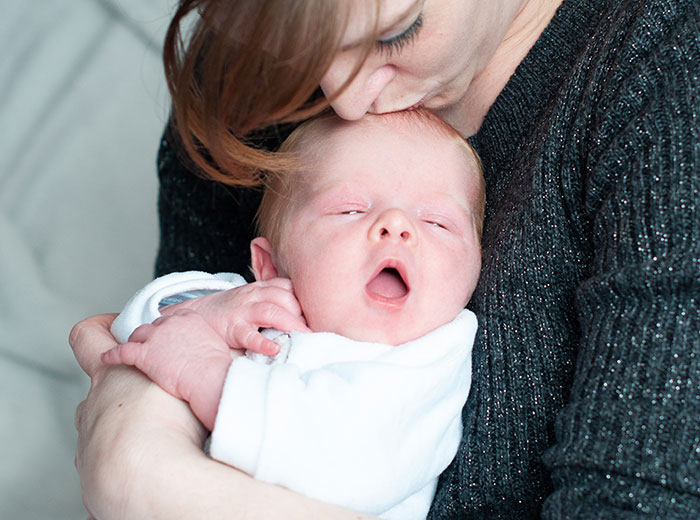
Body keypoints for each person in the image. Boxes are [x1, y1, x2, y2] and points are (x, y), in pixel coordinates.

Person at [69, 0, 700, 518]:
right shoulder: (246, 73)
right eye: (285, 45)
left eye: (394, 31)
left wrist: (136, 471)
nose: (340, 97)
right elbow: (178, 339)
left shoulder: (673, 36)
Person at [101, 110, 484, 520]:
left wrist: (208, 375)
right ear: (270, 265)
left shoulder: (431, 359)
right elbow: (138, 337)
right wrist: (209, 310)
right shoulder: (261, 307)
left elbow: (347, 465)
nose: (397, 225)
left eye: (437, 222)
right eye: (351, 210)